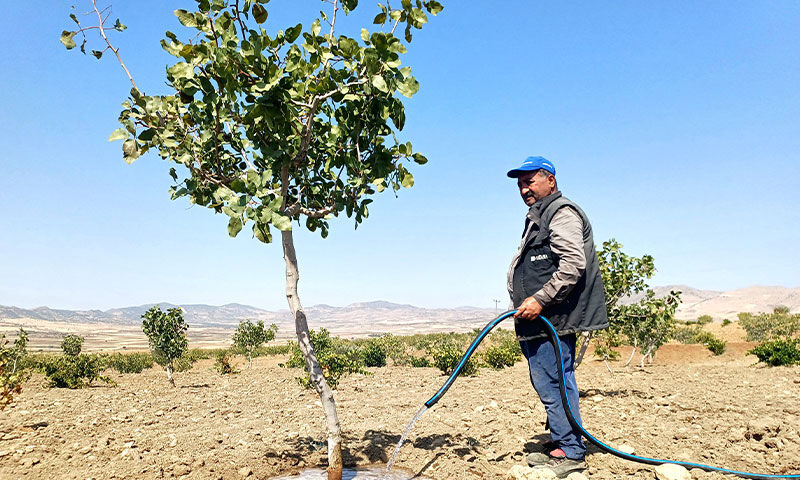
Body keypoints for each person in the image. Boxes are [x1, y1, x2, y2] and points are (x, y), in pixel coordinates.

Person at [506, 156, 609, 478]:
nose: (524, 189)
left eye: (529, 181)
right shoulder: (541, 215)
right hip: (541, 319)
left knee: (553, 382)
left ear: (550, 180)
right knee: (551, 380)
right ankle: (563, 441)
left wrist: (539, 299)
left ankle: (571, 451)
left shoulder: (561, 213)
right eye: (520, 184)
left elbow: (573, 265)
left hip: (553, 318)